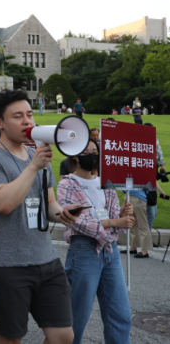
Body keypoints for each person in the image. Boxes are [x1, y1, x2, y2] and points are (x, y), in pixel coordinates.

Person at [0, 90, 80, 344]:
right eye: (18, 116)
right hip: (8, 266)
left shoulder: (37, 157)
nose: (27, 121)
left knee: (63, 336)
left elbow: (49, 203)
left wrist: (63, 213)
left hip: (47, 260)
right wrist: (33, 167)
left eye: (30, 115)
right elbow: (3, 204)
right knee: (12, 338)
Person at [57, 139, 134, 343]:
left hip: (111, 251)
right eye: (86, 152)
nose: (92, 155)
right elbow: (79, 222)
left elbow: (115, 224)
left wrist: (123, 216)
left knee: (120, 315)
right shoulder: (67, 183)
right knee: (77, 318)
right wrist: (116, 220)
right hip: (83, 251)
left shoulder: (106, 184)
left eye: (95, 151)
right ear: (75, 156)